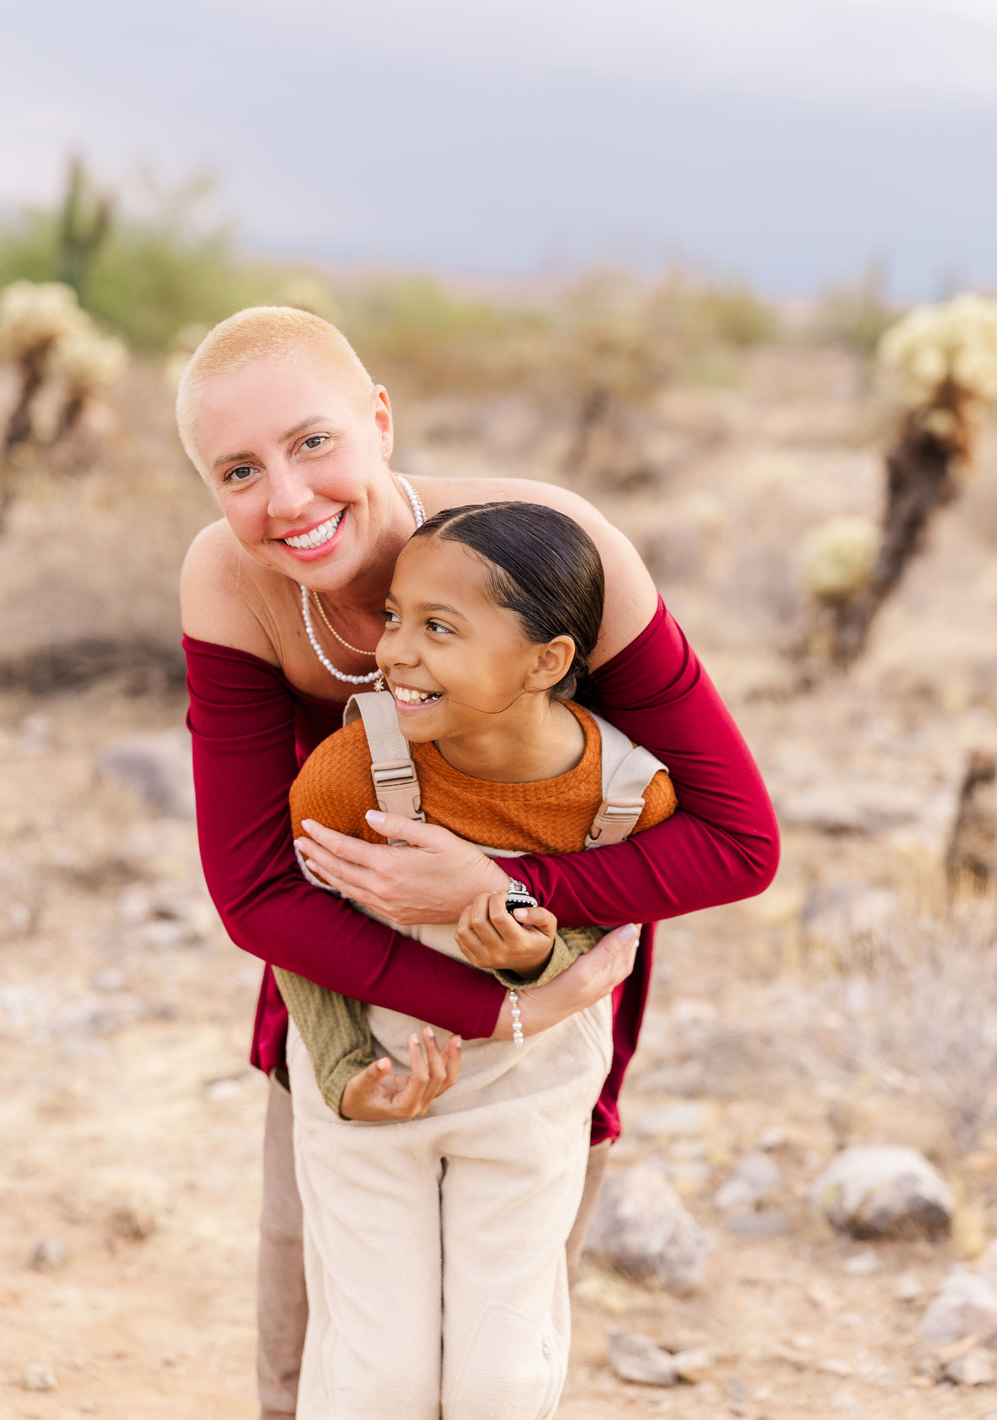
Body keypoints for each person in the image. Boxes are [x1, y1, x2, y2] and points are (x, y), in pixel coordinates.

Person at [177, 306, 779, 1420]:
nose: (288, 499)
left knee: (503, 1330)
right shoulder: (231, 579)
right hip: (345, 955)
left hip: (554, 955)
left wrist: (509, 904)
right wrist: (466, 1006)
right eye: (239, 471)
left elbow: (740, 840)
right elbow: (257, 888)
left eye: (314, 443)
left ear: (380, 419)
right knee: (321, 1333)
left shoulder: (546, 552)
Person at [279, 500, 678, 1418]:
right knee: (378, 1379)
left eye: (440, 627)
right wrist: (343, 1074)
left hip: (530, 1093)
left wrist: (537, 950)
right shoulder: (353, 770)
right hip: (372, 1083)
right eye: (394, 618)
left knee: (500, 1383)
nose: (395, 652)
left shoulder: (626, 797)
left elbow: (609, 947)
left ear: (547, 661)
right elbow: (295, 926)